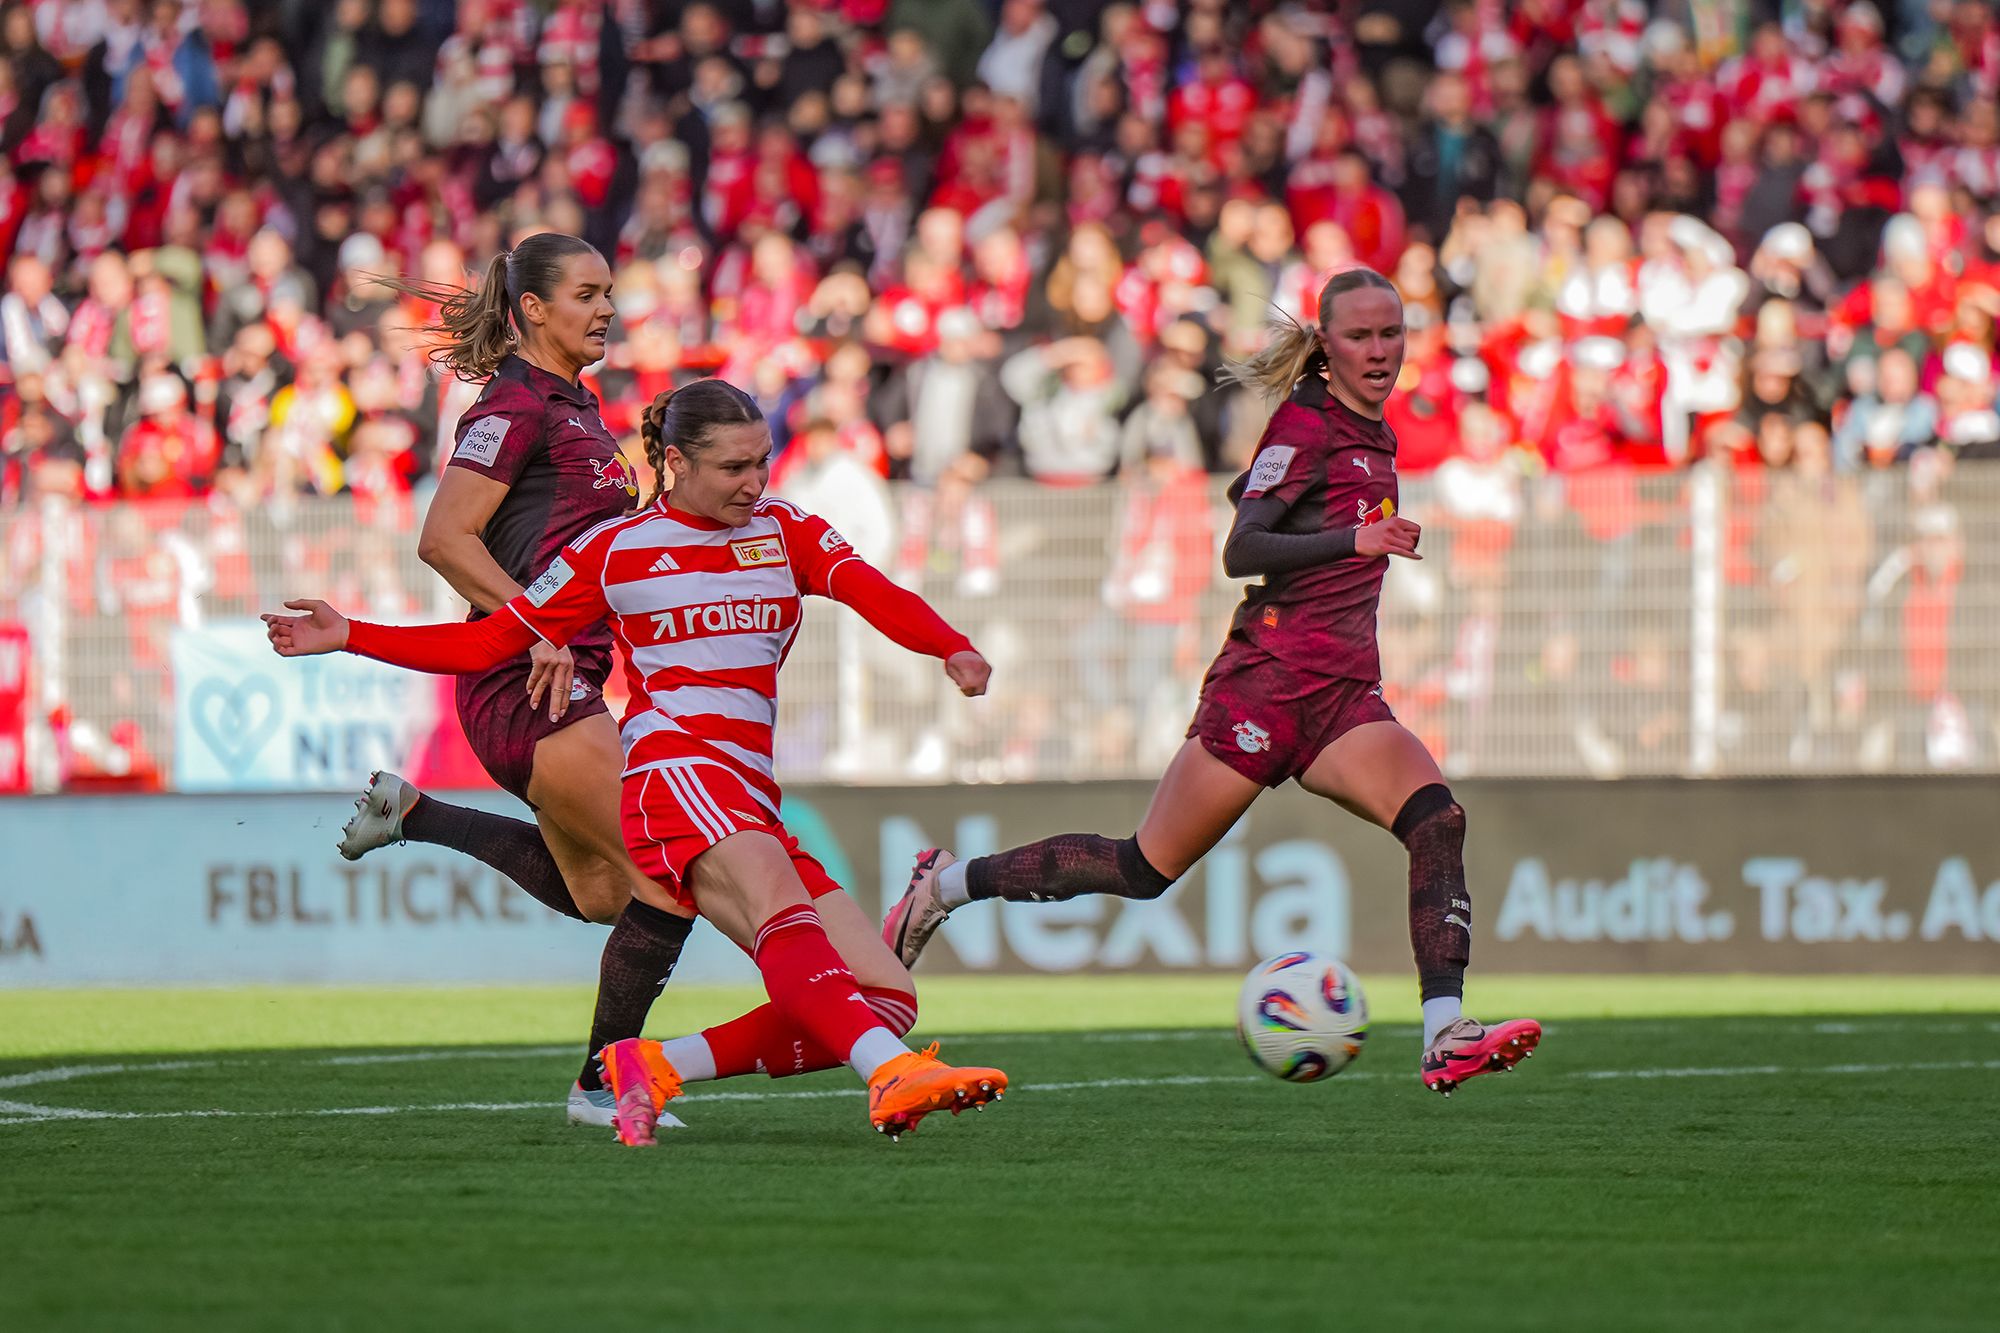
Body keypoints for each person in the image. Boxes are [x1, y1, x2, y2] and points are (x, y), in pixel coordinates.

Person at [264, 379, 1009, 1146]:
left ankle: (648, 1062)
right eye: (732, 468)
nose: (754, 482)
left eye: (763, 461)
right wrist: (350, 632)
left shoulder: (786, 530)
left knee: (885, 992)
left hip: (747, 790)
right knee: (779, 909)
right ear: (676, 463)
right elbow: (491, 641)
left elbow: (872, 591)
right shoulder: (615, 548)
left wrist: (949, 644)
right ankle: (889, 1074)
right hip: (673, 773)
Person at [881, 265, 1544, 1097]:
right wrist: (1355, 542)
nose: (1379, 351)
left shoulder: (1376, 431)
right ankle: (942, 885)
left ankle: (1445, 1030)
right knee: (1141, 870)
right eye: (1360, 335)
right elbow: (1243, 548)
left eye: (1391, 334)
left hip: (1341, 694)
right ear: (1327, 345)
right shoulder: (1306, 424)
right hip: (1266, 684)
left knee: (1438, 818)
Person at [335, 231, 692, 1133]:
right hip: (521, 681)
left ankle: (419, 815)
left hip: (560, 677)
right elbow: (445, 537)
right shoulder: (514, 406)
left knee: (605, 896)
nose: (607, 307)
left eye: (609, 291)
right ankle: (603, 1084)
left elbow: (581, 550)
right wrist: (535, 623)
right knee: (672, 869)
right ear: (532, 308)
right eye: (587, 293)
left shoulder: (578, 406)